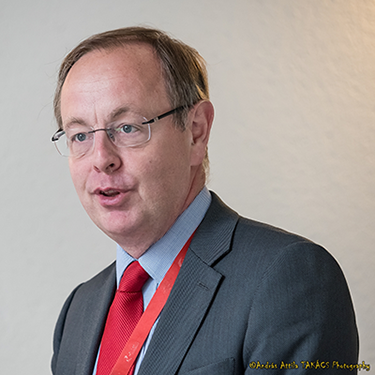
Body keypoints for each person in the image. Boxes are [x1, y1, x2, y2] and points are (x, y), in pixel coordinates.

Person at [51, 27, 358, 375]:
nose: (101, 158)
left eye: (127, 128)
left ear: (196, 131)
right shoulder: (78, 311)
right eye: (79, 136)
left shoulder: (289, 278)